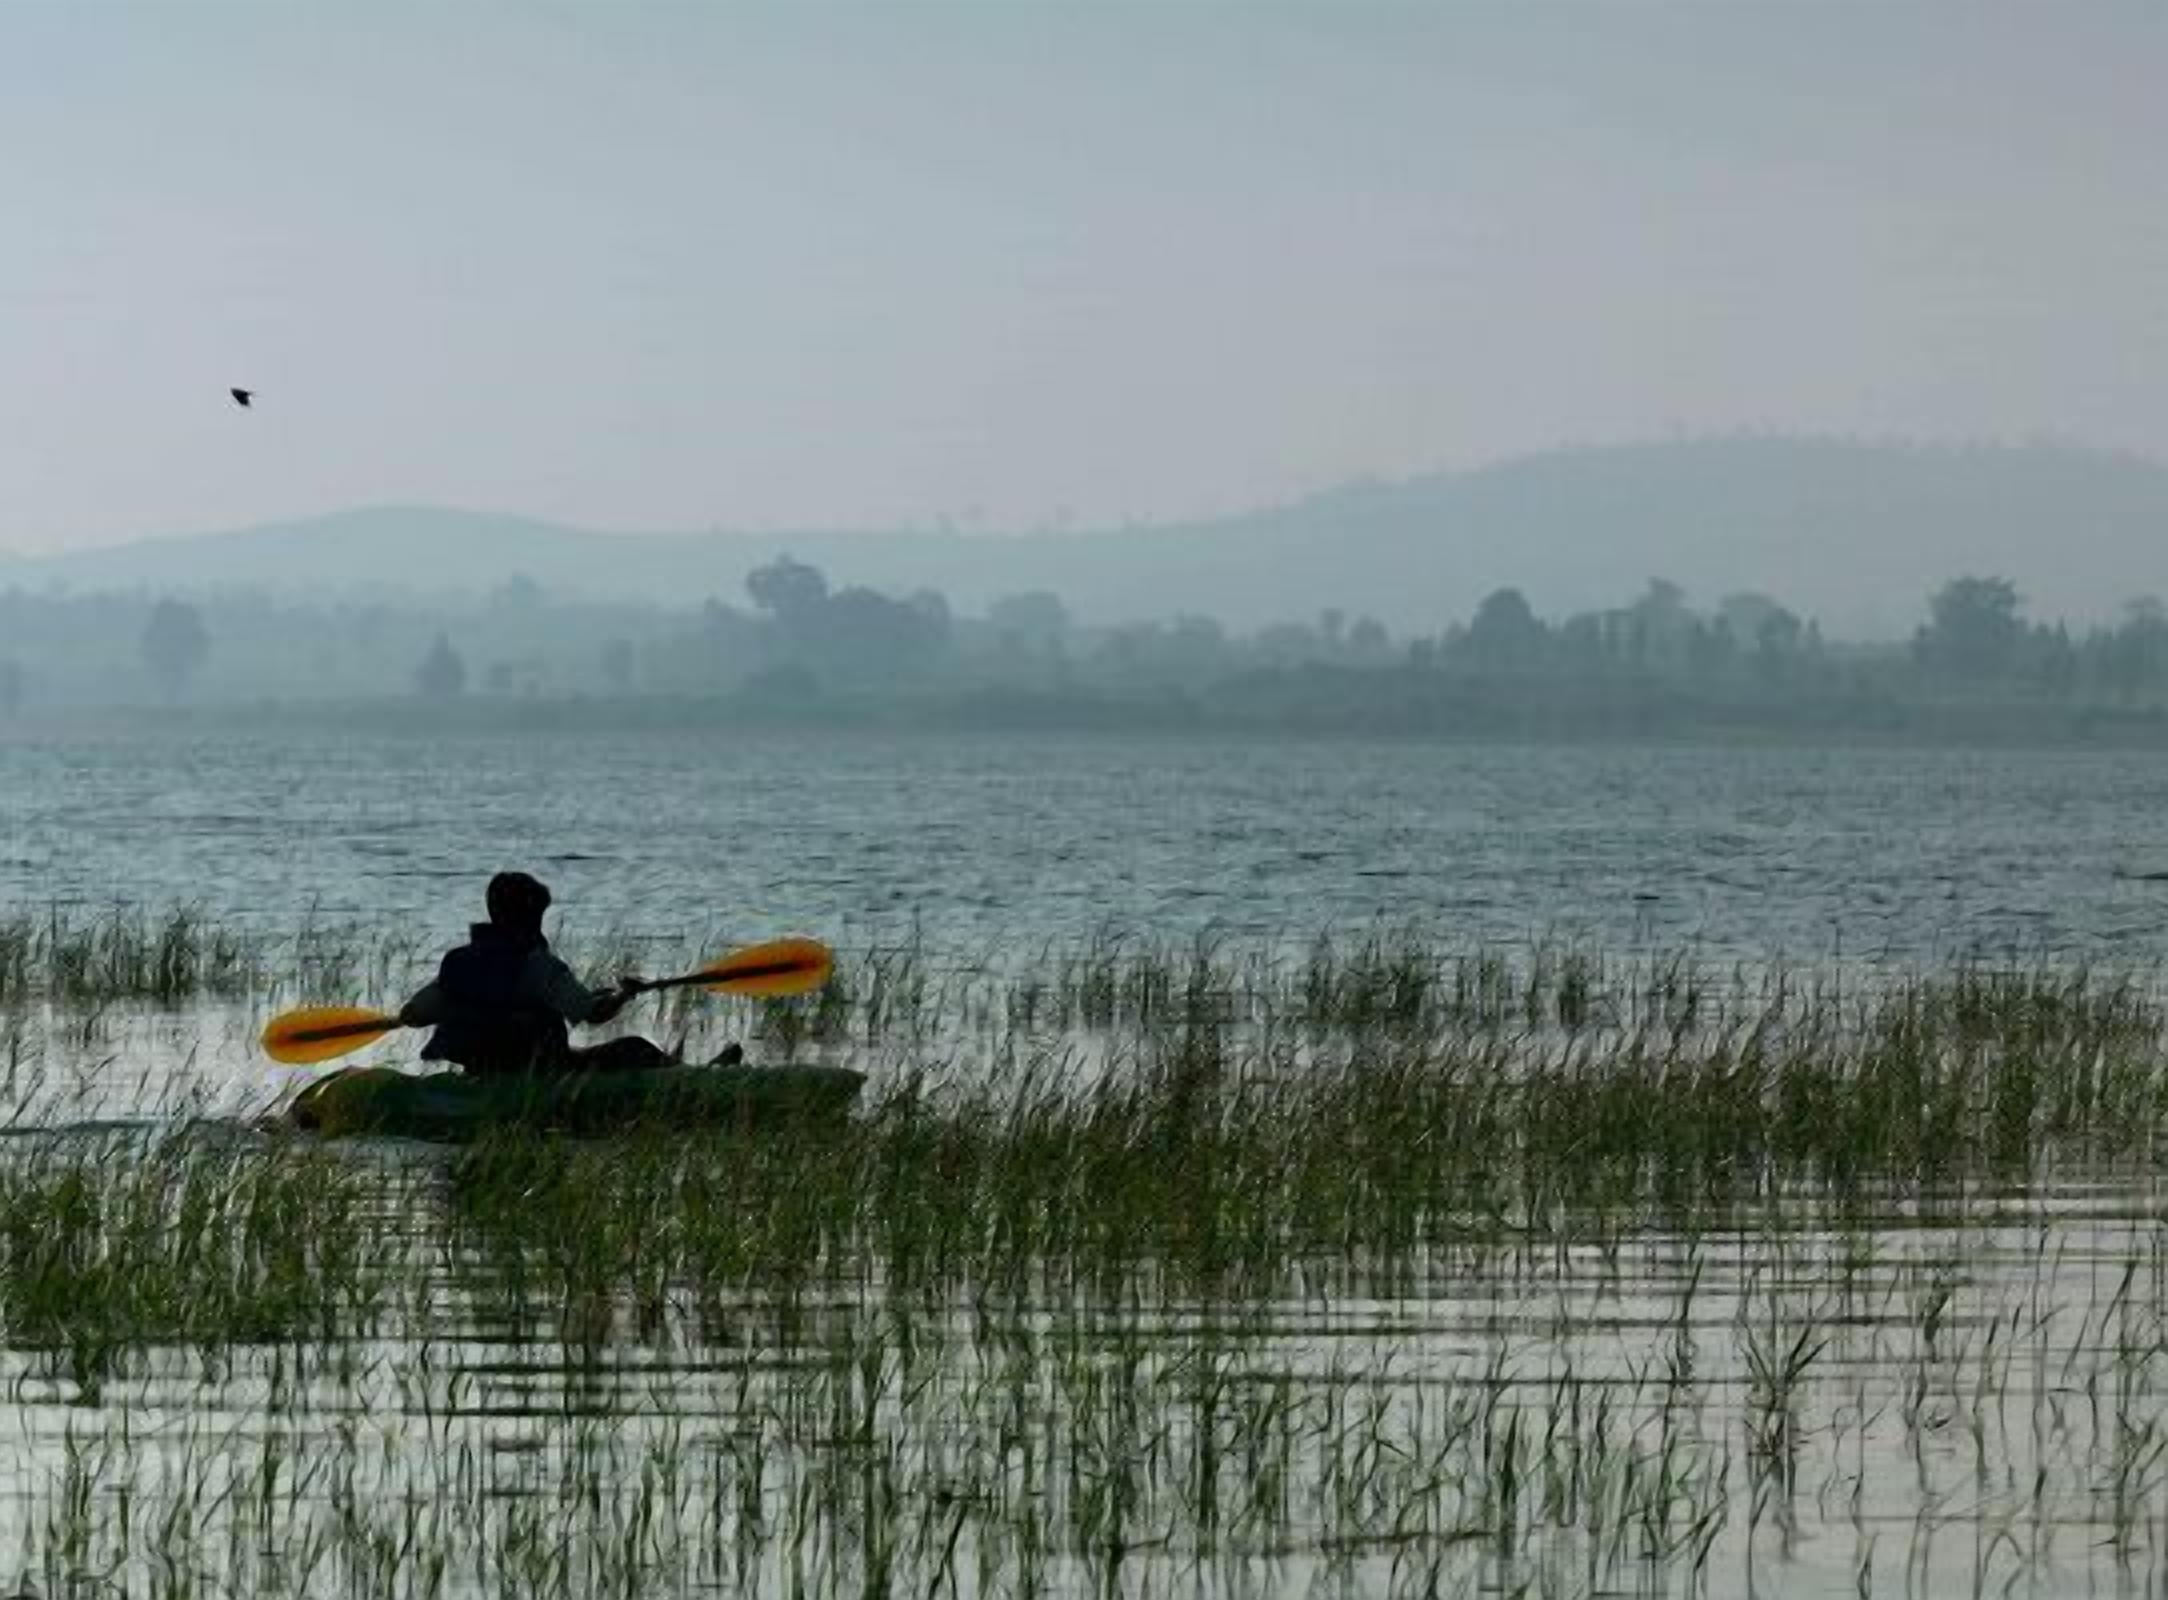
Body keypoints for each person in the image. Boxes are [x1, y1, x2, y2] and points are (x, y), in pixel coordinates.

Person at [399, 871, 732, 1075]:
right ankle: (693, 1077)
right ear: (529, 917)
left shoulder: (460, 964)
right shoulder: (541, 966)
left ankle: (677, 1070)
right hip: (544, 1072)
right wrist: (624, 995)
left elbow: (413, 1015)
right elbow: (595, 1014)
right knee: (634, 1048)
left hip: (485, 1070)